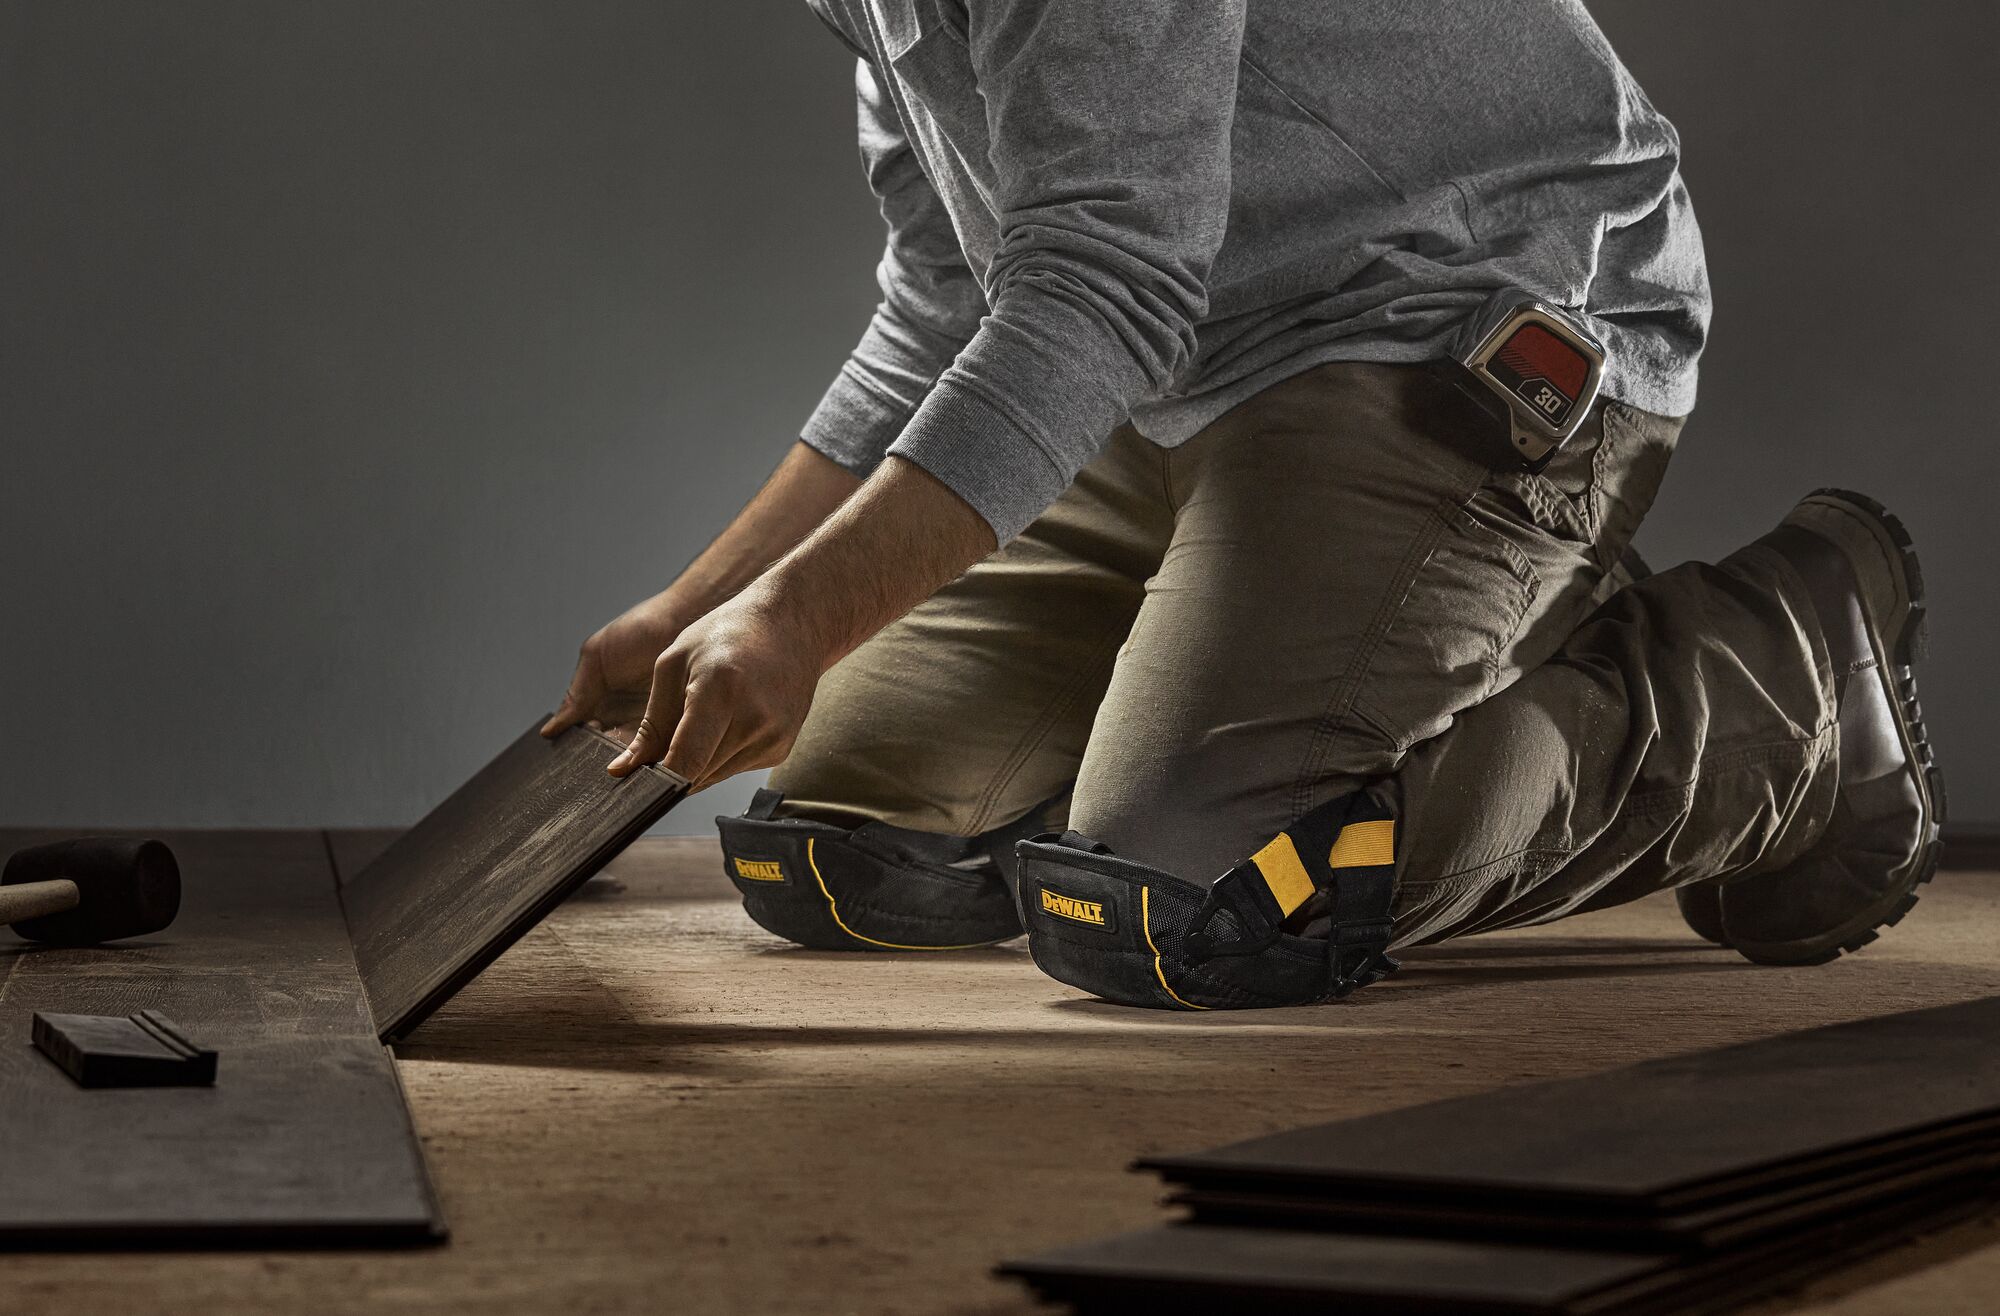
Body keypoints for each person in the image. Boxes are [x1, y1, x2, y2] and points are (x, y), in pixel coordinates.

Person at [543, 0, 1941, 1010]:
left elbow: (1101, 279)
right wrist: (703, 604)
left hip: (1453, 314)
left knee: (1207, 900)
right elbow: (947, 299)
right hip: (1178, 365)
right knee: (845, 852)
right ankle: (1240, 655)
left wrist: (802, 618)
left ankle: (1776, 680)